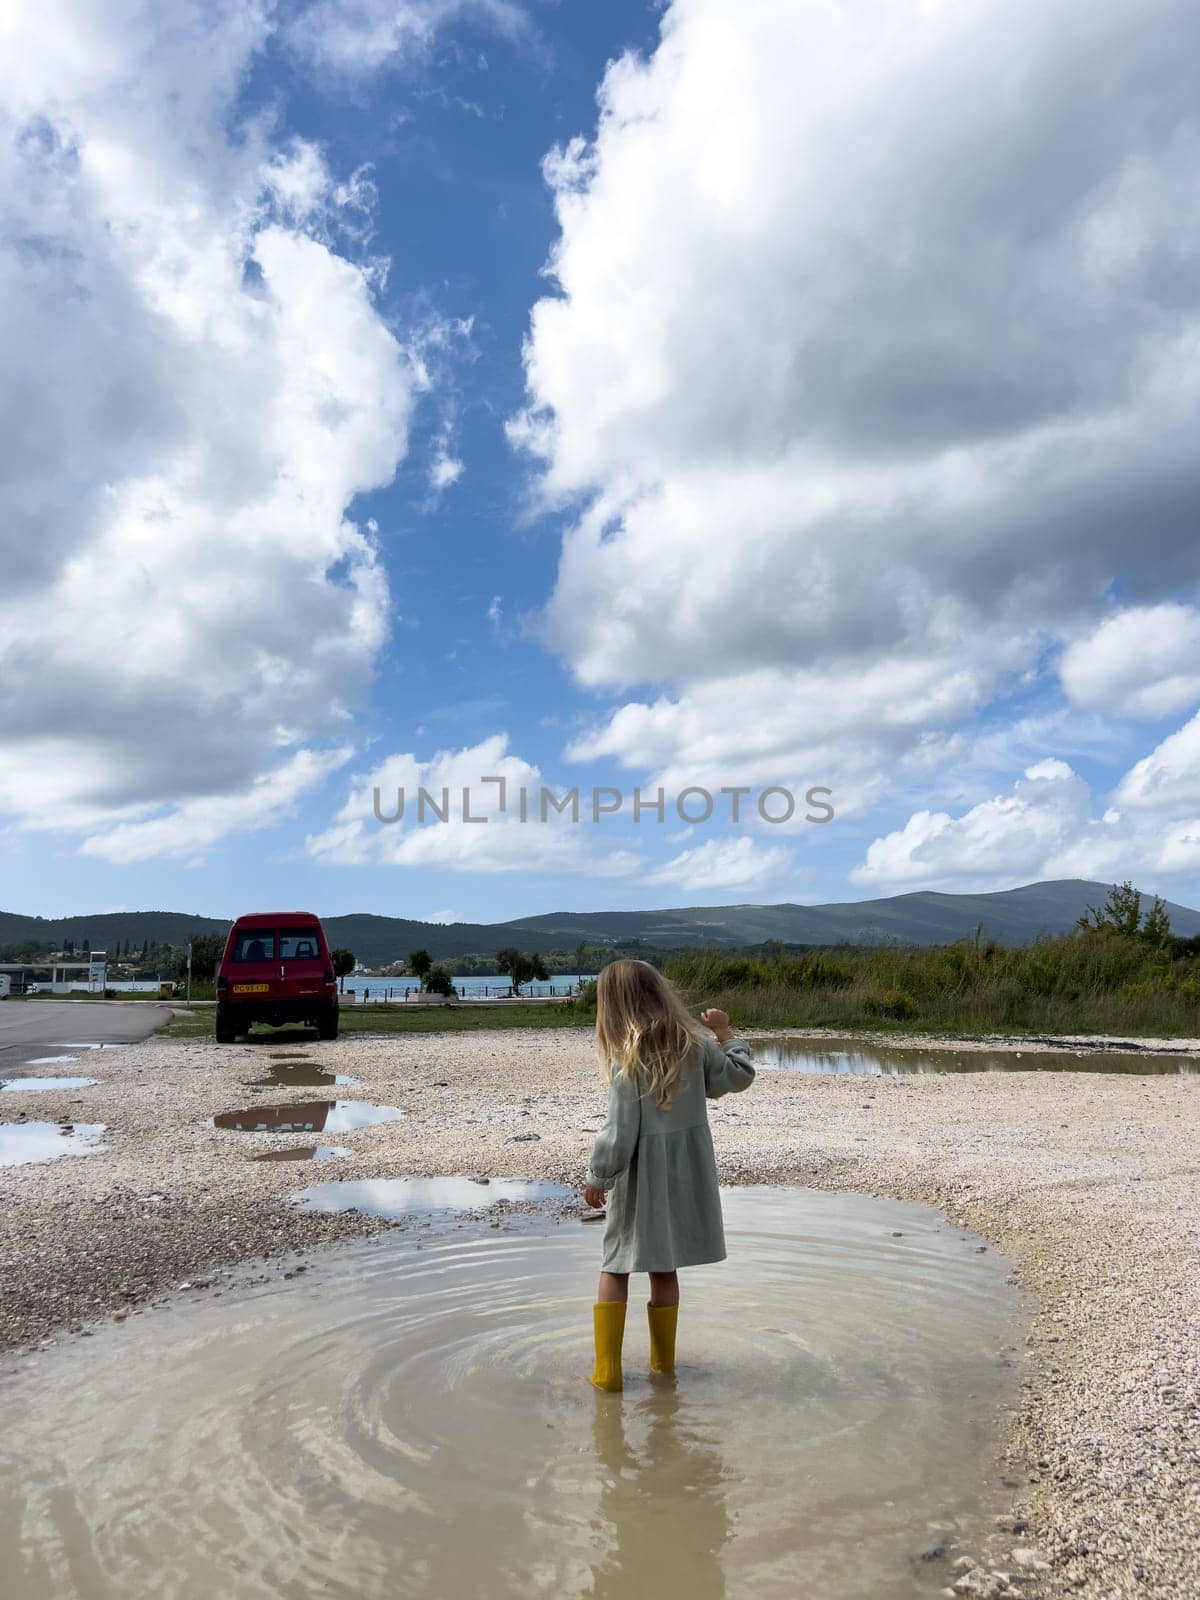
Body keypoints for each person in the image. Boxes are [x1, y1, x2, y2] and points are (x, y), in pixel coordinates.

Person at [583, 959, 755, 1392]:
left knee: (616, 1263)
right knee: (664, 1267)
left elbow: (619, 1132)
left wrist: (599, 1177)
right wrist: (726, 1033)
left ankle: (608, 1373)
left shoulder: (628, 1057)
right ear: (660, 993)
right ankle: (663, 1368)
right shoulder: (694, 1044)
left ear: (613, 1006)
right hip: (684, 1175)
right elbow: (735, 1078)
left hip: (640, 1178)